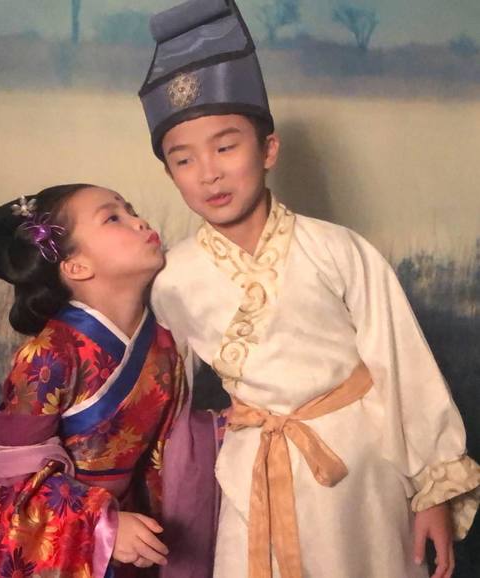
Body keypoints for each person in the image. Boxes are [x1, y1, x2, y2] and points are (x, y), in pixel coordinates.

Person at [138, 2, 480, 578]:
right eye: (184, 159)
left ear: (268, 149)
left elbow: (402, 366)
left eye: (226, 146)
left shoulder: (339, 249)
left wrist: (432, 491)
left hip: (360, 471)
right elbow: (162, 395)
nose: (209, 172)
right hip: (253, 472)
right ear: (170, 174)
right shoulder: (171, 278)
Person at [0, 168, 219, 578]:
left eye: (131, 211)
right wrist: (101, 523)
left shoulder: (163, 344)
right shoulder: (49, 354)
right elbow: (11, 476)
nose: (138, 222)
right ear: (75, 266)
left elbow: (172, 446)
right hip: (54, 537)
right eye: (113, 218)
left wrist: (235, 429)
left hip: (126, 534)